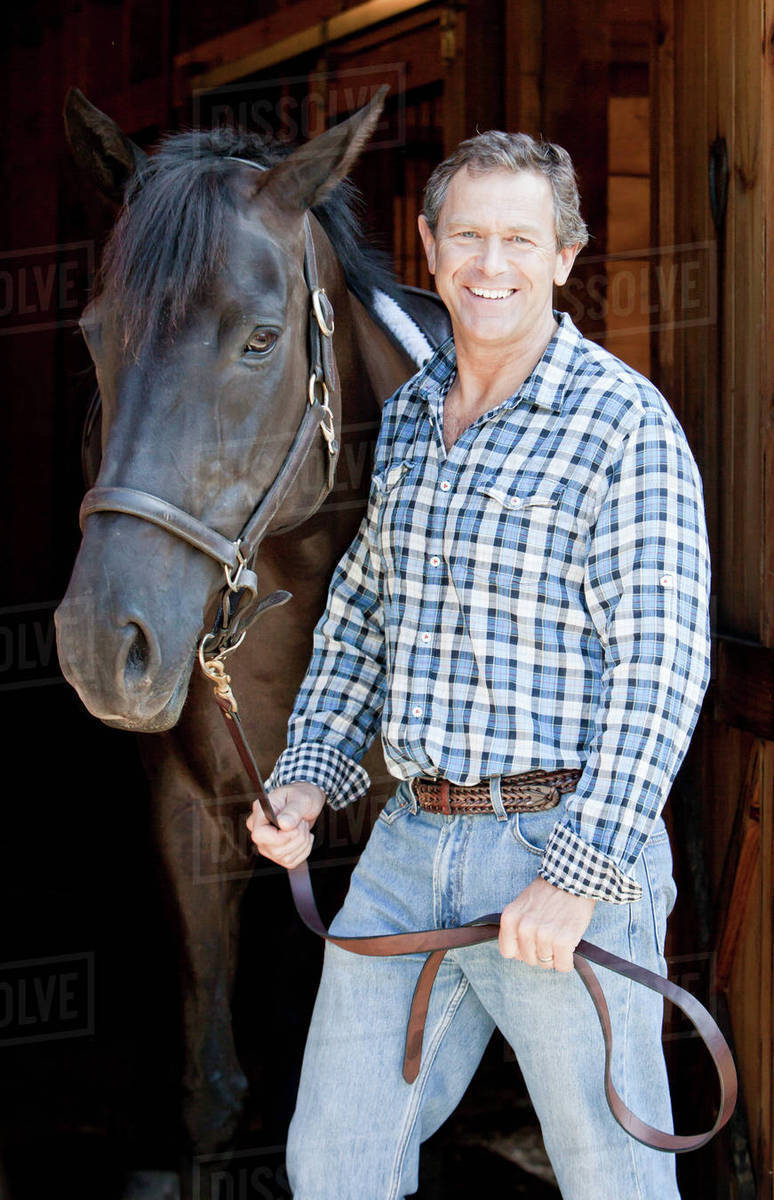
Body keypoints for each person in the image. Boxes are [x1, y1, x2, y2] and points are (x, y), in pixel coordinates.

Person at [247, 131, 711, 1200]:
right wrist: (312, 772)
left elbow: (662, 670)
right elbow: (363, 612)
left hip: (562, 848)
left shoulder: (622, 423)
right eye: (467, 235)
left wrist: (583, 874)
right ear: (428, 244)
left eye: (519, 238)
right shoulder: (412, 417)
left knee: (614, 1183)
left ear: (564, 255)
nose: (489, 263)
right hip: (409, 850)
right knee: (335, 1168)